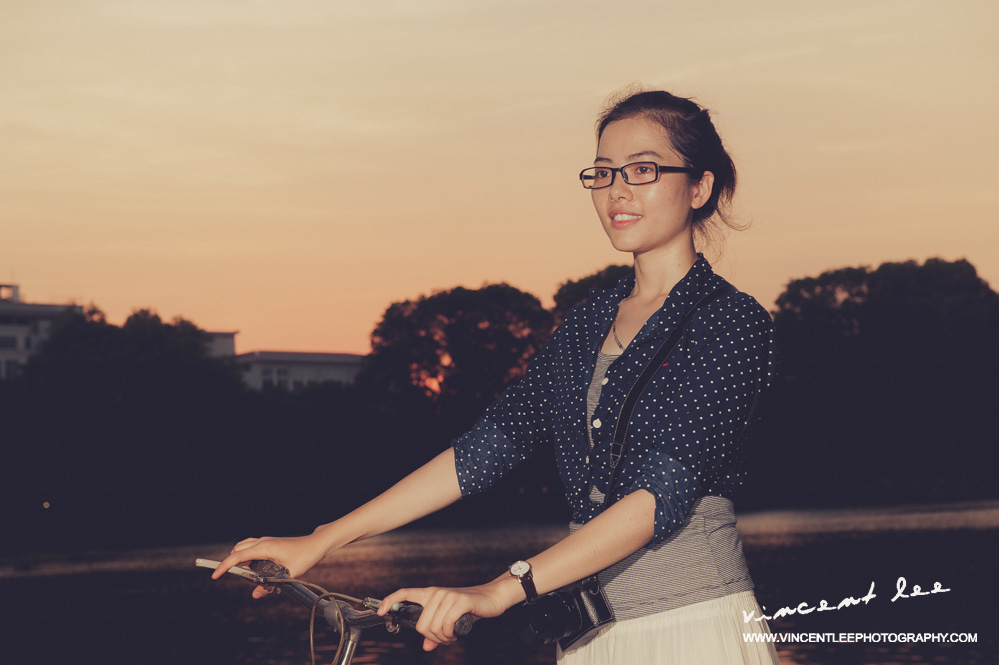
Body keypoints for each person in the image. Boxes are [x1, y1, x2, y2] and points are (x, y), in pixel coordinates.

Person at [213, 89, 781, 664]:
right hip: (588, 640)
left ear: (700, 187)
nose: (617, 191)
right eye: (604, 172)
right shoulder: (587, 321)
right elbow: (488, 447)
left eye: (643, 169)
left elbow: (655, 500)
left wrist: (498, 591)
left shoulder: (730, 322)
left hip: (690, 630)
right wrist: (323, 539)